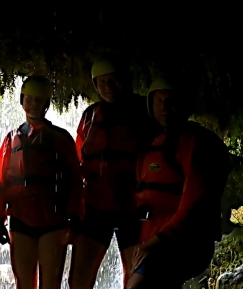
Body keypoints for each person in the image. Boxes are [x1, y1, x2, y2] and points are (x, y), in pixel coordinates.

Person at [126, 78, 231, 289]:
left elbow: (195, 205)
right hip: (152, 237)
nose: (164, 107)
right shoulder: (150, 141)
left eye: (171, 101)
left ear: (184, 104)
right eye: (159, 101)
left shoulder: (198, 143)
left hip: (182, 242)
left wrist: (156, 242)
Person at [0, 75, 85, 289]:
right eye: (28, 99)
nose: (33, 105)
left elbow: (75, 182)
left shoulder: (61, 138)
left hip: (54, 220)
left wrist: (74, 219)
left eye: (38, 100)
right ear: (22, 101)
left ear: (47, 104)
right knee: (23, 282)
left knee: (51, 282)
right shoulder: (11, 138)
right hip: (20, 220)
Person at [70, 59, 152, 289]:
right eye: (102, 82)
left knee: (137, 279)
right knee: (79, 279)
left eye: (113, 80)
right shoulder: (89, 116)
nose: (109, 87)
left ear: (126, 80)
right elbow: (78, 160)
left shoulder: (146, 112)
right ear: (95, 85)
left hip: (134, 210)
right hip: (95, 207)